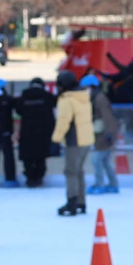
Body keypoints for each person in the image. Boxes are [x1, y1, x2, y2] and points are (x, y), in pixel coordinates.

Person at [50, 67, 92, 217]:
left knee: (70, 172)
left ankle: (72, 201)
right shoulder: (83, 96)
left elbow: (63, 121)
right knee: (79, 171)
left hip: (74, 140)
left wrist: (55, 139)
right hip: (86, 139)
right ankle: (81, 201)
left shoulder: (67, 100)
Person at [82, 71, 119, 194]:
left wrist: (109, 134)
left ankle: (100, 184)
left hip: (105, 134)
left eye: (85, 88)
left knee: (97, 160)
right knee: (104, 161)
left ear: (91, 87)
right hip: (102, 134)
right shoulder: (96, 98)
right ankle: (113, 184)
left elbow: (107, 117)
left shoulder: (99, 99)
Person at [16, 78, 55, 188]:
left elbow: (18, 110)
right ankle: (39, 177)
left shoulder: (23, 96)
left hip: (27, 132)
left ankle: (30, 178)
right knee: (40, 157)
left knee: (27, 157)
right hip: (43, 132)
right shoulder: (47, 96)